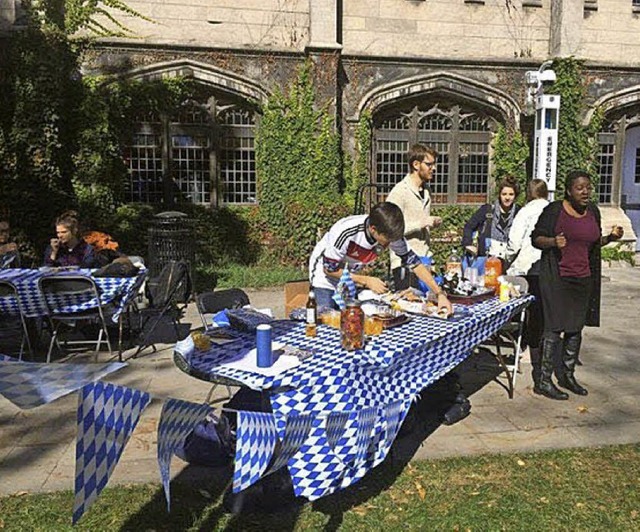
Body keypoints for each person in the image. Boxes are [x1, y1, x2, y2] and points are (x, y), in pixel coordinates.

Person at [531, 170, 623, 400]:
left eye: (588, 187)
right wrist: (553, 241)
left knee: (575, 327)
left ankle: (568, 375)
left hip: (583, 278)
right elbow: (536, 238)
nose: (585, 192)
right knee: (554, 327)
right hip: (557, 278)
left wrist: (610, 238)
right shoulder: (554, 211)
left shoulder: (592, 211)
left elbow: (593, 242)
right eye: (580, 188)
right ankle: (543, 381)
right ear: (569, 190)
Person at [309, 202, 452, 315]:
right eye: (387, 240)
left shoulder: (390, 232)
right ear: (373, 229)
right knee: (326, 320)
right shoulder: (346, 232)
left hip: (349, 276)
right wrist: (366, 280)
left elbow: (414, 263)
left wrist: (439, 293)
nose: (389, 244)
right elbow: (329, 269)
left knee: (351, 319)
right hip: (325, 276)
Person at [505, 179, 549, 386]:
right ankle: (540, 348)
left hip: (526, 266)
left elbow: (514, 241)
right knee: (541, 310)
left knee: (525, 309)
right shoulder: (553, 209)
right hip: (547, 267)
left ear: (529, 194)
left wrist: (506, 256)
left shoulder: (525, 212)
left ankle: (525, 347)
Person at [386, 144, 442, 290]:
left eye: (434, 164)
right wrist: (422, 223)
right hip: (404, 264)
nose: (434, 168)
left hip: (425, 258)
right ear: (416, 165)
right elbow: (388, 230)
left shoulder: (426, 190)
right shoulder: (399, 192)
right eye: (429, 164)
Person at [462, 178, 521, 267]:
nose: (507, 198)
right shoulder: (487, 210)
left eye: (511, 194)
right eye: (504, 194)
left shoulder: (519, 213)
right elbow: (469, 226)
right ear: (499, 195)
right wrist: (468, 244)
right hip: (486, 261)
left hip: (510, 263)